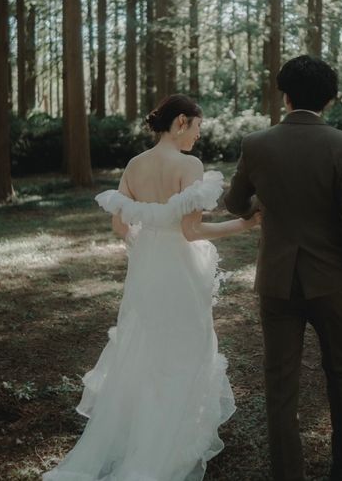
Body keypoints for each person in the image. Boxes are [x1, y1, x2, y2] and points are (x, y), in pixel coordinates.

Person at [43, 94, 259, 481]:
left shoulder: (134, 164)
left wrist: (147, 250)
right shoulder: (189, 165)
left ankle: (136, 436)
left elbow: (120, 225)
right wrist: (245, 224)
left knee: (146, 349)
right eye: (197, 127)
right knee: (185, 350)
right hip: (180, 271)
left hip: (146, 270)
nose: (198, 135)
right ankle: (166, 445)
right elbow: (192, 231)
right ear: (181, 122)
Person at [225, 55, 342, 481]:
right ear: (329, 99)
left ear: (285, 96)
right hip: (332, 280)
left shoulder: (256, 143)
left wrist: (261, 204)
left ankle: (287, 474)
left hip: (276, 281)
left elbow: (235, 202)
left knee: (280, 384)